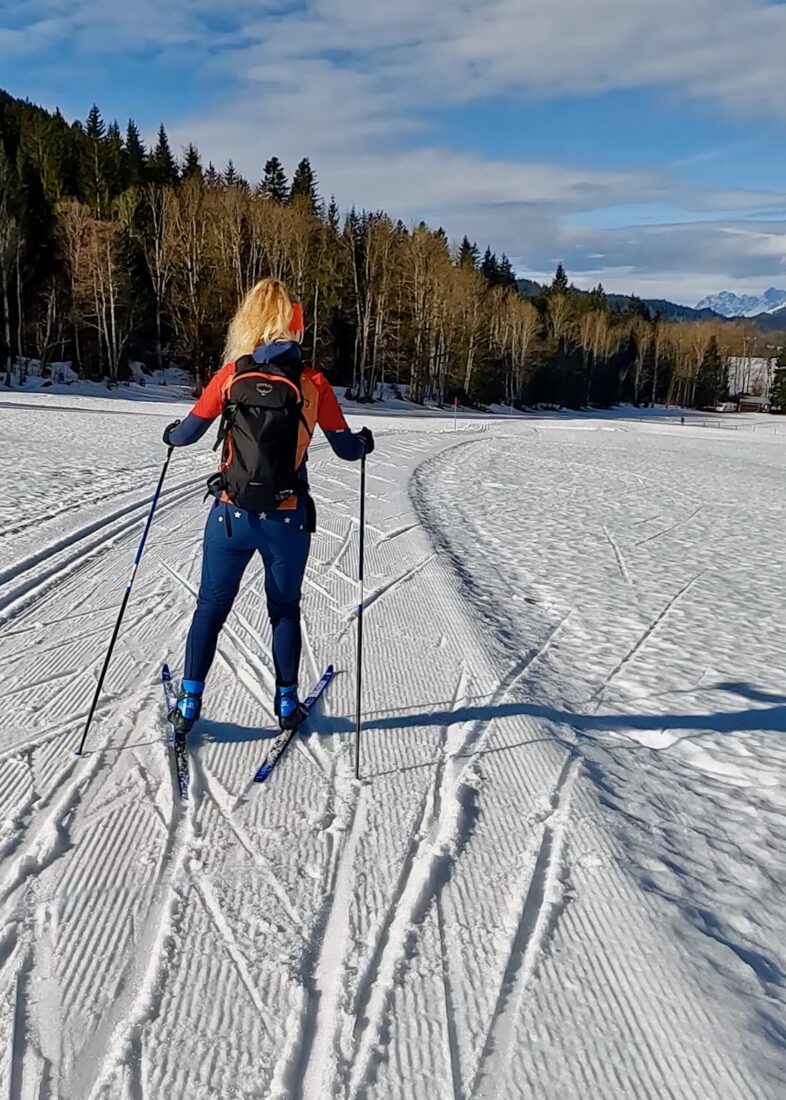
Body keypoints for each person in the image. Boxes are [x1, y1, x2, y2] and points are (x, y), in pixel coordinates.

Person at [163, 277, 374, 735]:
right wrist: (363, 443)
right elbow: (345, 449)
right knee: (284, 609)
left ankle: (188, 704)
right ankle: (285, 704)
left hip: (231, 515)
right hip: (287, 516)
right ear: (294, 327)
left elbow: (187, 435)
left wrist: (171, 432)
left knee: (211, 608)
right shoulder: (313, 382)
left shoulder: (232, 376)